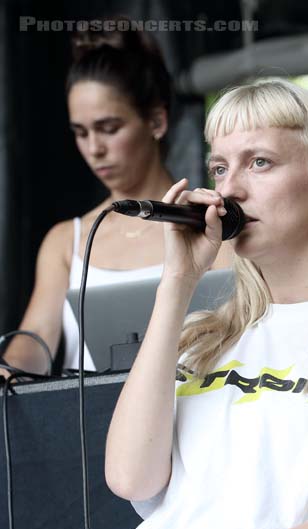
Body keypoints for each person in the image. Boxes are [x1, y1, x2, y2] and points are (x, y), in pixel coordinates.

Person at [3, 78, 308, 529]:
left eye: (260, 162)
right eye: (219, 167)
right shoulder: (205, 335)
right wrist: (178, 284)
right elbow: (130, 480)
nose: (229, 188)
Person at [0, 25, 232, 376]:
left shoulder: (211, 225)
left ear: (156, 120)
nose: (94, 148)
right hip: (86, 424)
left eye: (109, 128)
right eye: (81, 133)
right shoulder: (67, 240)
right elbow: (33, 345)